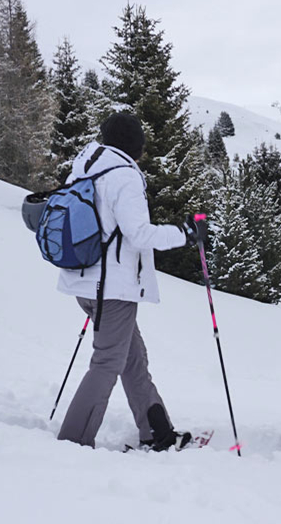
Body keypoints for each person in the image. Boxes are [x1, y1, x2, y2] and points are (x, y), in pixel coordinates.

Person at [56, 113, 205, 451]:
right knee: (108, 361)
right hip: (113, 287)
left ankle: (157, 432)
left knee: (132, 356)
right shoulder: (124, 176)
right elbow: (138, 234)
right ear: (135, 145)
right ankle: (73, 442)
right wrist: (185, 234)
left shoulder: (85, 166)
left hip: (85, 280)